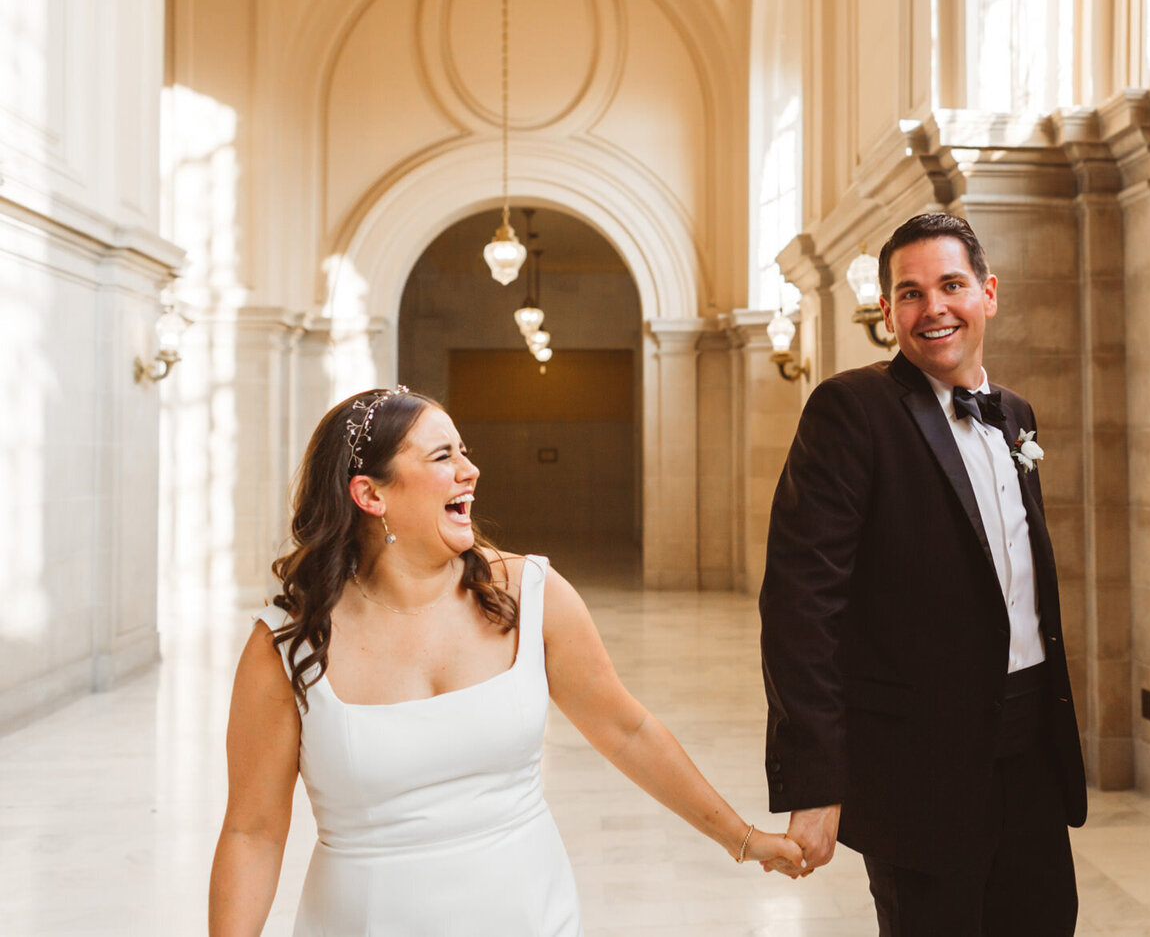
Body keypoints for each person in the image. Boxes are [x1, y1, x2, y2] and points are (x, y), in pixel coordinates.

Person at [209, 387, 801, 936]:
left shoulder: (531, 594)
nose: (470, 470)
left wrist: (742, 839)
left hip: (527, 915)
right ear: (371, 494)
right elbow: (251, 832)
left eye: (464, 451)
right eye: (443, 456)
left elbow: (627, 731)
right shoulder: (286, 648)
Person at [758, 213, 1088, 934]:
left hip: (1032, 752)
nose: (932, 308)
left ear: (988, 293)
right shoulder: (852, 411)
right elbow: (800, 604)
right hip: (920, 770)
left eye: (951, 285)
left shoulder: (1015, 417)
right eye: (910, 293)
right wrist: (816, 779)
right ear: (887, 313)